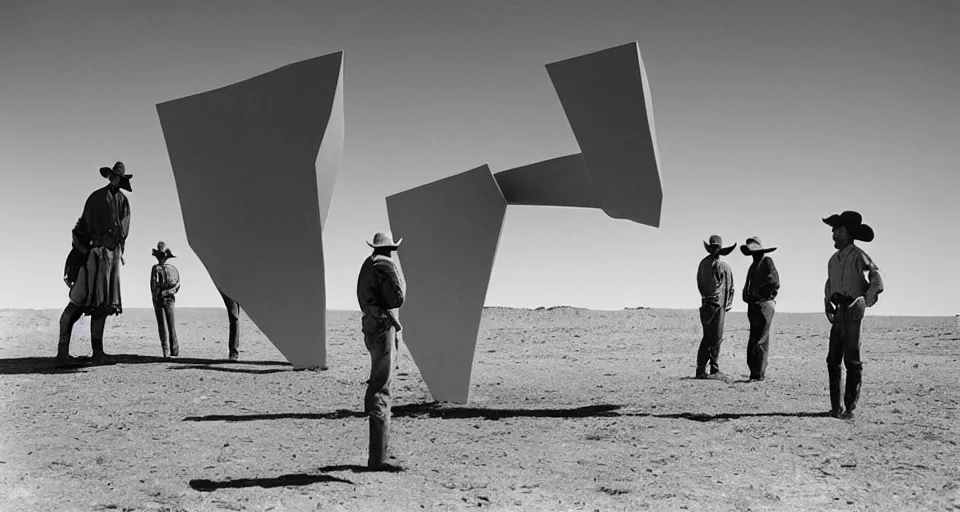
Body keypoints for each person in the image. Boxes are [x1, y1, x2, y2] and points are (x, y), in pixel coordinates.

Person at [57, 162, 132, 365]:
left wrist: (110, 245)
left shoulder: (122, 201)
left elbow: (122, 230)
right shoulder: (96, 198)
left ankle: (97, 352)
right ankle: (62, 353)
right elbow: (82, 227)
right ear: (110, 177)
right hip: (91, 258)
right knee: (78, 302)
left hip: (107, 258)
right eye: (113, 176)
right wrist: (90, 246)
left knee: (102, 305)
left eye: (118, 177)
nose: (115, 179)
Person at [823, 211, 883, 419]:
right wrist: (827, 302)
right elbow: (829, 283)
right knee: (832, 360)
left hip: (852, 312)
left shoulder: (859, 256)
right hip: (838, 312)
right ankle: (835, 406)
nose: (834, 235)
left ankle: (849, 407)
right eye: (833, 231)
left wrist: (864, 301)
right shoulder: (833, 260)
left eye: (838, 231)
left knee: (852, 360)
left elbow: (876, 278)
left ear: (848, 234)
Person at [356, 232, 406, 471]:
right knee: (382, 388)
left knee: (377, 382)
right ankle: (378, 457)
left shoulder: (367, 265)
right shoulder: (383, 265)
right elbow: (398, 299)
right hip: (383, 326)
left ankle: (381, 451)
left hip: (370, 324)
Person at [696, 235, 736, 379]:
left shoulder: (703, 264)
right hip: (717, 305)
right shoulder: (722, 265)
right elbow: (730, 287)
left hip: (708, 304)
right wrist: (727, 302)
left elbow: (700, 284)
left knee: (708, 337)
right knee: (715, 337)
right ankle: (712, 368)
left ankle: (702, 369)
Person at [740, 237, 780, 381]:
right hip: (756, 305)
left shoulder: (766, 262)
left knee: (760, 339)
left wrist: (759, 293)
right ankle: (755, 373)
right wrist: (750, 296)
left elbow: (775, 282)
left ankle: (758, 373)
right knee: (755, 338)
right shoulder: (754, 265)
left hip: (764, 304)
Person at [150, 241, 181, 358]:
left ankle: (167, 351)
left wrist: (159, 294)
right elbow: (178, 284)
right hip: (168, 299)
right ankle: (173, 351)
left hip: (161, 299)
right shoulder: (173, 269)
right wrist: (169, 292)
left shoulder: (156, 268)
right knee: (170, 325)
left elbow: (153, 285)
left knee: (164, 326)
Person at [218, 289, 241, 361]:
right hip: (228, 286)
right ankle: (233, 352)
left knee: (235, 317)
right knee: (234, 316)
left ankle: (233, 352)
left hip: (239, 286)